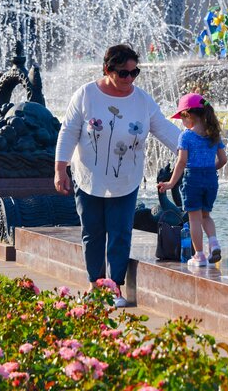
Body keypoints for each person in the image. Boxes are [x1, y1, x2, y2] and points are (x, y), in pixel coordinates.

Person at [54, 44, 180, 307]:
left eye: (135, 73)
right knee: (93, 232)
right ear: (107, 70)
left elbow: (166, 130)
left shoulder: (143, 100)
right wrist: (60, 168)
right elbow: (68, 132)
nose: (130, 79)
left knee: (121, 232)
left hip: (126, 178)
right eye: (124, 73)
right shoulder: (86, 94)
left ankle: (115, 288)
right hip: (89, 176)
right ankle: (94, 285)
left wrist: (196, 149)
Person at [157, 93, 227, 266]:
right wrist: (210, 170)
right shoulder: (214, 135)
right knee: (206, 216)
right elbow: (223, 160)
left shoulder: (186, 136)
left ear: (189, 115)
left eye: (182, 117)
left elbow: (181, 162)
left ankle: (200, 256)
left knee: (194, 218)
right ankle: (214, 243)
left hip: (192, 179)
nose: (181, 121)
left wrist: (170, 183)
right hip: (211, 179)